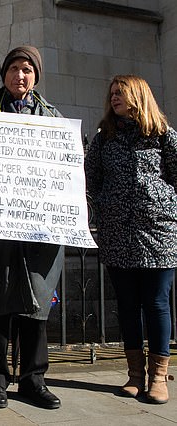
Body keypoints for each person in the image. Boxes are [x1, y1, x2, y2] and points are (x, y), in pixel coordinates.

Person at [0, 46, 63, 410]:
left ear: (35, 76)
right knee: (0, 302)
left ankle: (34, 379)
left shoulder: (52, 116)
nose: (21, 76)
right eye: (14, 69)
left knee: (36, 305)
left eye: (27, 70)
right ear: (3, 74)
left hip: (41, 232)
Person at [85, 75, 177, 404]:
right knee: (127, 305)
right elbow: (91, 177)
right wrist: (110, 203)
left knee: (156, 303)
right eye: (111, 93)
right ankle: (134, 374)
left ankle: (158, 376)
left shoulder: (163, 136)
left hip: (157, 232)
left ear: (138, 95)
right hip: (117, 233)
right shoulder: (104, 139)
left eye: (119, 93)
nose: (113, 98)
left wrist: (162, 205)